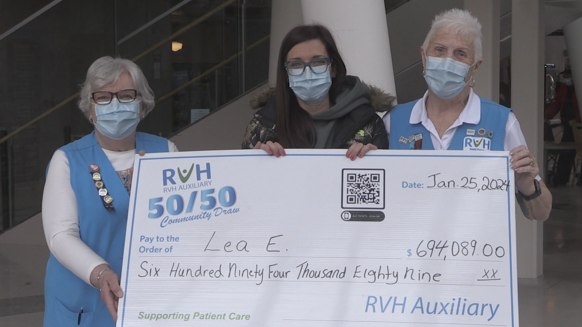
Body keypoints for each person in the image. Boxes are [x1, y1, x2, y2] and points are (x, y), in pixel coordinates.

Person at [42, 56, 178, 326]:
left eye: (127, 95)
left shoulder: (166, 152)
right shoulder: (67, 160)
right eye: (103, 97)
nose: (115, 104)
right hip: (82, 300)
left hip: (147, 298)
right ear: (90, 109)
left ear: (142, 106)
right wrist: (101, 272)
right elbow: (60, 235)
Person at [384, 9, 552, 221]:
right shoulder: (394, 121)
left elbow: (542, 212)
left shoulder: (501, 122)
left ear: (475, 66)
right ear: (423, 57)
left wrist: (528, 187)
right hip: (408, 249)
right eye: (439, 50)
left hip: (477, 251)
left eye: (460, 54)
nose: (447, 61)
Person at [242, 24, 393, 158]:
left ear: (333, 68)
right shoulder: (263, 125)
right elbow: (245, 182)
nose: (308, 73)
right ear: (286, 73)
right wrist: (257, 161)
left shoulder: (367, 121)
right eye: (296, 64)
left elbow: (386, 183)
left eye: (318, 62)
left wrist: (373, 159)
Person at [544, 67, 581, 185]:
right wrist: (547, 116)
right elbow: (557, 104)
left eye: (567, 77)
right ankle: (561, 178)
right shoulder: (564, 89)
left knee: (572, 150)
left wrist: (577, 120)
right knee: (565, 151)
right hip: (567, 123)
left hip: (577, 125)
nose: (566, 80)